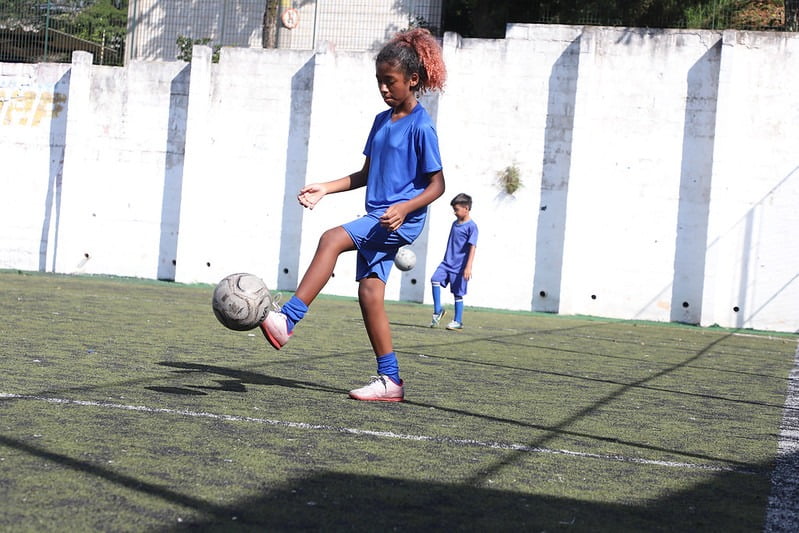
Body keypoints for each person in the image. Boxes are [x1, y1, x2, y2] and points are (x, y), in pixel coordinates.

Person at [260, 28, 447, 402]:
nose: (383, 89)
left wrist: (406, 207)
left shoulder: (422, 126)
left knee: (331, 239)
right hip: (376, 215)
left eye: (390, 82)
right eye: (379, 82)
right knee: (369, 294)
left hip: (397, 221)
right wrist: (325, 188)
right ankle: (390, 380)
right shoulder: (381, 121)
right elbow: (365, 175)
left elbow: (437, 185)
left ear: (413, 80)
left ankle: (288, 319)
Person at [429, 193, 478, 330]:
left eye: (456, 209)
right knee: (435, 279)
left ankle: (458, 321)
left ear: (466, 208)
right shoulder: (454, 224)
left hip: (460, 267)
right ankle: (438, 309)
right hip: (446, 264)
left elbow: (473, 247)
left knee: (458, 293)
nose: (454, 213)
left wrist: (468, 267)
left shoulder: (472, 227)